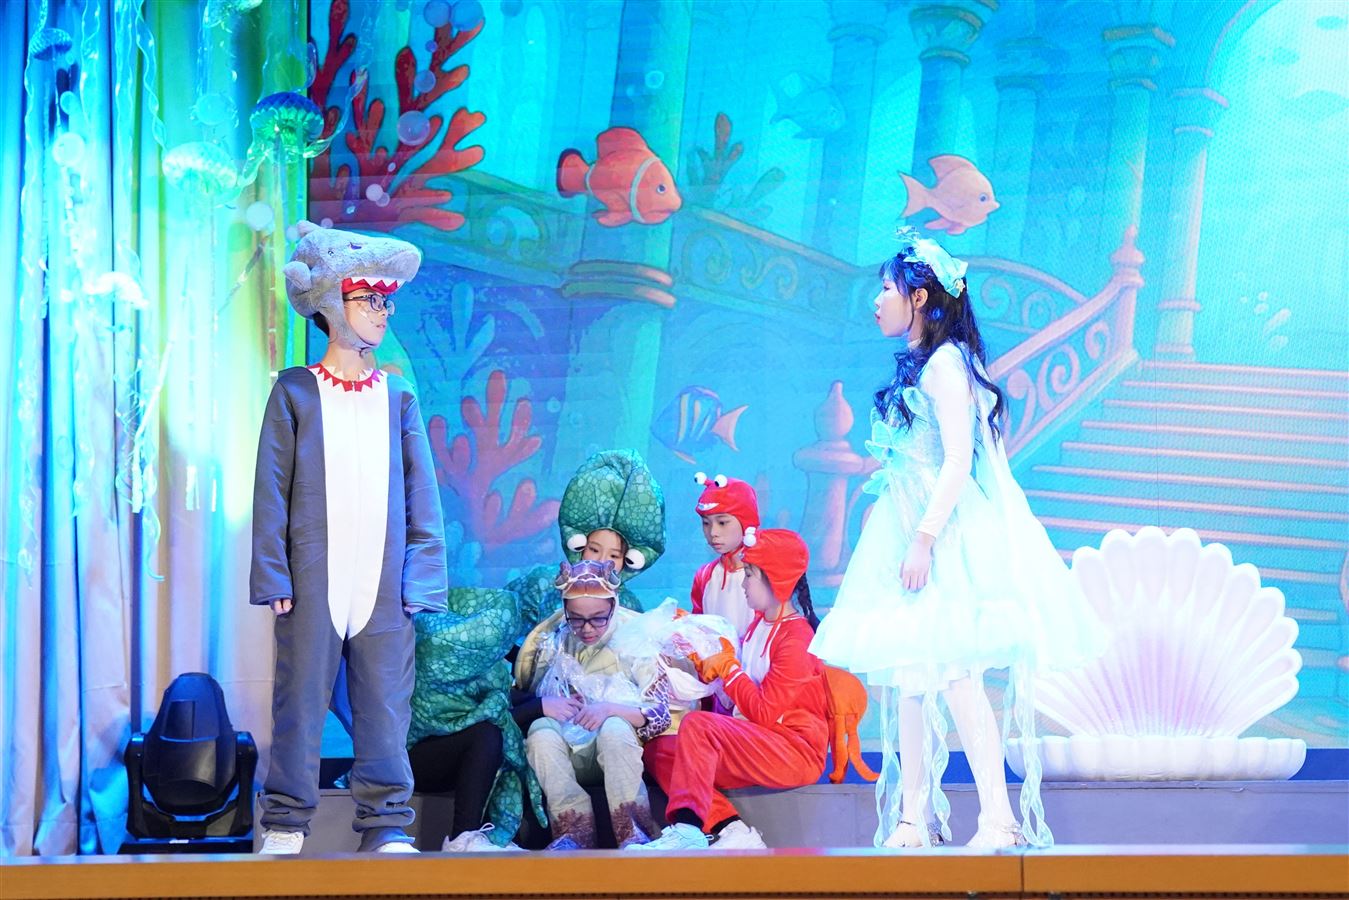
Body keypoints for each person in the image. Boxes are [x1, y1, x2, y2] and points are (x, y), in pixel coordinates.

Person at [809, 227, 1100, 849]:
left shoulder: (946, 364)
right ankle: (912, 818)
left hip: (939, 534)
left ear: (919, 297)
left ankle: (998, 818)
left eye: (887, 289)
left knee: (958, 676)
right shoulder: (924, 363)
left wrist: (924, 538)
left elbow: (957, 459)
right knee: (912, 678)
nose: (877, 300)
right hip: (906, 527)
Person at [250, 222, 446, 855]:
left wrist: (423, 576)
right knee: (299, 702)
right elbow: (271, 487)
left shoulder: (397, 397)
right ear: (333, 304)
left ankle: (386, 822)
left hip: (382, 584)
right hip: (315, 579)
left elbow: (422, 493)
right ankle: (286, 821)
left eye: (386, 301)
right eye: (369, 299)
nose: (381, 312)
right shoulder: (294, 391)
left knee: (384, 705)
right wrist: (273, 572)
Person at [634, 529, 828, 851]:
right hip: (757, 742)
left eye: (749, 574)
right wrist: (697, 649)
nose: (743, 584)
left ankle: (687, 828)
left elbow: (765, 713)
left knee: (698, 726)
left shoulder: (796, 638)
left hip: (794, 751)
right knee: (660, 749)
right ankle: (730, 828)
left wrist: (728, 668)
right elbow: (736, 697)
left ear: (776, 579)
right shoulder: (757, 626)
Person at [514, 560, 672, 848]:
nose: (586, 629)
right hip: (570, 748)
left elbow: (661, 713)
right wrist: (547, 702)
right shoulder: (552, 638)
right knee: (541, 731)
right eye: (576, 619)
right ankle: (573, 831)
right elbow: (522, 695)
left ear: (613, 604)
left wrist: (609, 709)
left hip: (620, 749)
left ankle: (633, 831)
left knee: (614, 728)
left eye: (598, 618)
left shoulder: (636, 636)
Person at [407, 587, 540, 851]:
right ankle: (463, 838)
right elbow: (488, 714)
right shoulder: (433, 652)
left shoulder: (482, 664)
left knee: (512, 734)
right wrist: (541, 706)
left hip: (454, 756)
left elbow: (502, 698)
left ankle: (495, 837)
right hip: (412, 759)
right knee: (488, 733)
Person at [689, 473, 760, 641]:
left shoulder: (766, 574)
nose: (713, 532)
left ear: (747, 522)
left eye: (722, 522)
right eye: (706, 523)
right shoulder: (705, 575)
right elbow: (697, 629)